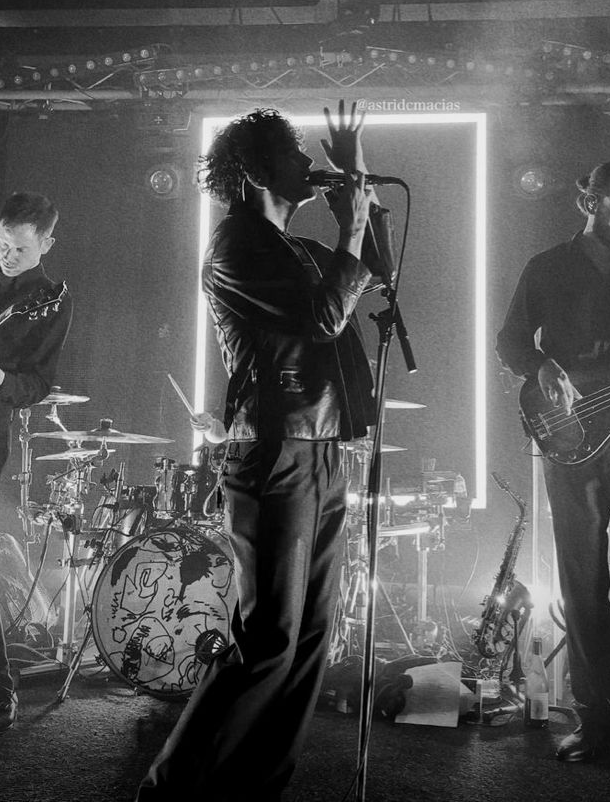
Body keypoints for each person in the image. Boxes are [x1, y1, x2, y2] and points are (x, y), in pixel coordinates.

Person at [136, 101, 391, 802]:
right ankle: (171, 788)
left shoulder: (300, 250)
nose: (309, 165)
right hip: (274, 451)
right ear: (253, 171)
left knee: (312, 637)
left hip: (325, 447)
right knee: (269, 637)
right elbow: (322, 315)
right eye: (294, 156)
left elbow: (373, 273)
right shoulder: (235, 247)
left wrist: (360, 180)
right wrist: (355, 220)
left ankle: (258, 786)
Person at [496, 160, 610, 763]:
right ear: (587, 201)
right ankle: (600, 723)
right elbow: (510, 340)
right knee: (582, 584)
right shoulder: (547, 267)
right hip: (569, 440)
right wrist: (540, 367)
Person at [0, 192, 72, 739]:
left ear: (47, 245)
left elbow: (38, 384)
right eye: (2, 244)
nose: (8, 256)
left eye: (21, 248)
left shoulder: (50, 301)